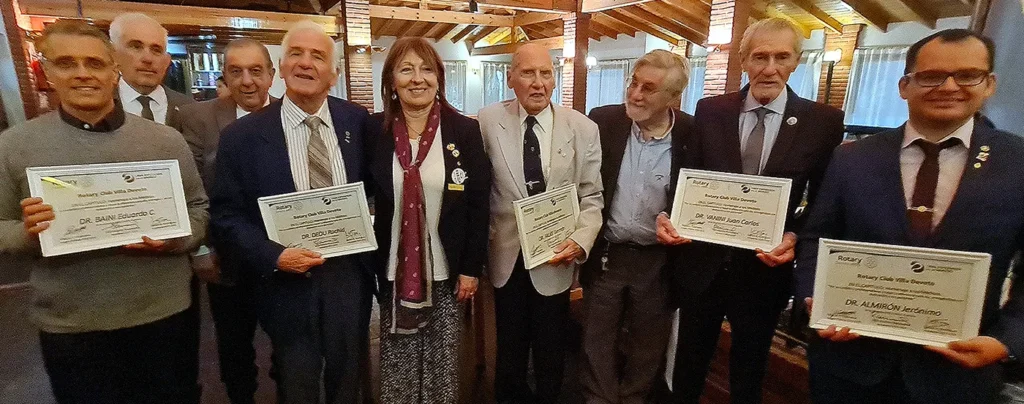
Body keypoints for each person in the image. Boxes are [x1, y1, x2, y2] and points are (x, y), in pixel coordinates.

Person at [795, 29, 1024, 404]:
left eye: (967, 75)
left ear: (989, 84)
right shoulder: (853, 158)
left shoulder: (1018, 163)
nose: (949, 87)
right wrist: (813, 301)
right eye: (932, 76)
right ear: (905, 85)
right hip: (848, 367)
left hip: (956, 373)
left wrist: (1007, 341)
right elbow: (816, 239)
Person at [0, 20, 208, 403]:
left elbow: (198, 210)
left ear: (114, 72)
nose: (82, 74)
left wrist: (176, 237)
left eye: (95, 64)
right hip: (73, 322)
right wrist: (27, 232)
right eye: (66, 63)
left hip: (162, 312)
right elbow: (2, 228)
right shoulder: (14, 145)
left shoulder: (164, 141)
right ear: (46, 71)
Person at [656, 18, 845, 404]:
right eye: (760, 56)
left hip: (764, 270)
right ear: (743, 60)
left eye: (782, 56)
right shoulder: (710, 110)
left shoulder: (822, 122)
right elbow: (687, 179)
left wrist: (795, 235)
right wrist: (668, 214)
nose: (769, 68)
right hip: (702, 265)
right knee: (689, 364)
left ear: (796, 61)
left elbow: (826, 200)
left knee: (748, 371)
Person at [209, 21, 374, 404]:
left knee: (348, 378)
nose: (305, 63)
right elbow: (226, 216)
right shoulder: (241, 137)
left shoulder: (358, 122)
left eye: (318, 56)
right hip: (286, 283)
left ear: (334, 74)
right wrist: (273, 256)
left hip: (348, 277)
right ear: (280, 69)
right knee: (296, 381)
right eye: (295, 54)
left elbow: (377, 187)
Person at [366, 37, 491, 404]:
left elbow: (478, 205)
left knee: (442, 363)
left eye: (426, 69)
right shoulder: (376, 131)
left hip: (448, 270)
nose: (417, 78)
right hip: (395, 269)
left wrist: (471, 268)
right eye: (406, 69)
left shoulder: (464, 131)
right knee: (399, 362)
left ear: (439, 77)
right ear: (391, 81)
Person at [478, 43, 604, 404]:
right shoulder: (488, 121)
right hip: (505, 255)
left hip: (556, 256)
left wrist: (581, 240)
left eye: (545, 73)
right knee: (510, 349)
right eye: (528, 73)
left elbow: (592, 196)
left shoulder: (583, 128)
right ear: (510, 78)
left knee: (551, 349)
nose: (538, 83)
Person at [580, 49, 694, 404]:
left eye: (649, 88)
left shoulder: (693, 133)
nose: (635, 94)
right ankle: (599, 399)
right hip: (607, 254)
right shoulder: (603, 121)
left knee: (649, 342)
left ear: (673, 98)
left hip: (658, 260)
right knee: (596, 337)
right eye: (633, 83)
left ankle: (633, 398)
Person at [176, 38, 276, 404]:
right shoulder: (197, 118)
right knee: (234, 344)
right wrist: (200, 247)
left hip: (279, 256)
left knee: (287, 342)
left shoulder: (292, 114)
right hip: (225, 256)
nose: (247, 80)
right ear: (225, 76)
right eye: (236, 72)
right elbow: (191, 191)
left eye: (255, 71)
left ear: (271, 75)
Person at [110, 13, 194, 126]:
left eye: (156, 50)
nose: (148, 59)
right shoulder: (98, 105)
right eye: (136, 47)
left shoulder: (190, 108)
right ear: (114, 55)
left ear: (167, 61)